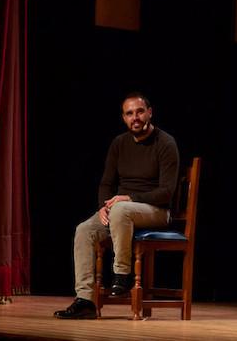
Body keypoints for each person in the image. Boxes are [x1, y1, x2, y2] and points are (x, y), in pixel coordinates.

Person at [54, 92, 179, 319]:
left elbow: (166, 192)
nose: (135, 117)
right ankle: (85, 300)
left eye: (140, 112)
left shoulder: (166, 143)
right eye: (129, 114)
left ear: (150, 112)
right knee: (84, 230)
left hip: (156, 210)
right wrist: (103, 206)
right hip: (122, 211)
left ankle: (122, 274)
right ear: (123, 118)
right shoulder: (119, 143)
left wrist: (129, 198)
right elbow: (106, 183)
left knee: (121, 209)